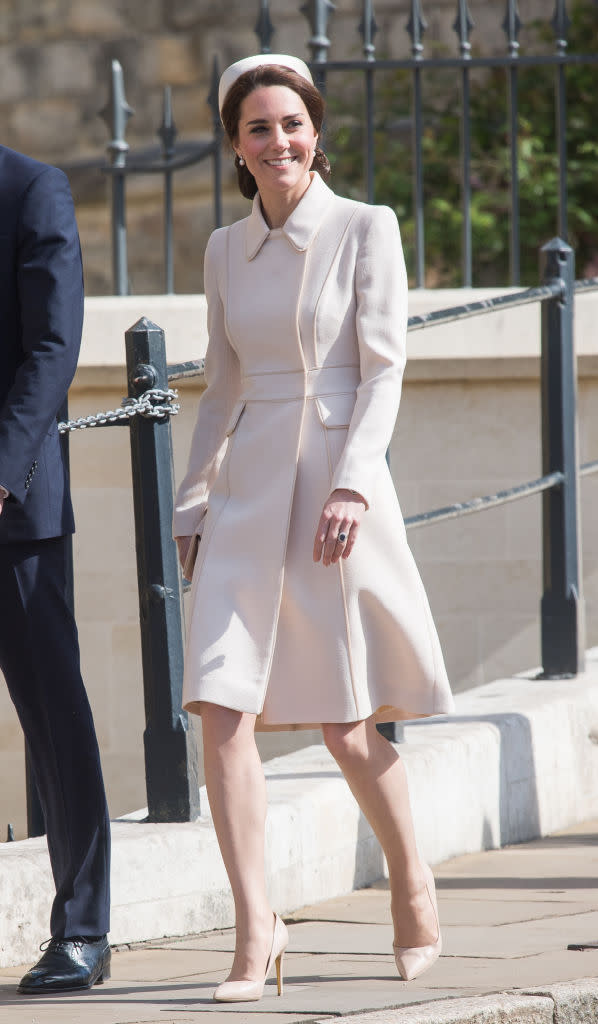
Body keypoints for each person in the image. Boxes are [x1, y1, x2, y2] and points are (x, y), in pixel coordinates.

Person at [173, 54, 455, 1001]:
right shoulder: (222, 250)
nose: (279, 141)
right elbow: (222, 387)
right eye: (259, 128)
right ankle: (257, 931)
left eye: (291, 123)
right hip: (247, 491)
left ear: (316, 132)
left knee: (343, 724)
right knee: (219, 708)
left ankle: (412, 885)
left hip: (337, 492)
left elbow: (384, 370)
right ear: (238, 149)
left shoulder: (366, 228)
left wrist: (353, 487)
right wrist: (191, 498)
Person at [0, 145, 111, 994]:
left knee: (52, 715)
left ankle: (81, 929)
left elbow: (52, 344)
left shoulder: (32, 188)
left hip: (12, 513)